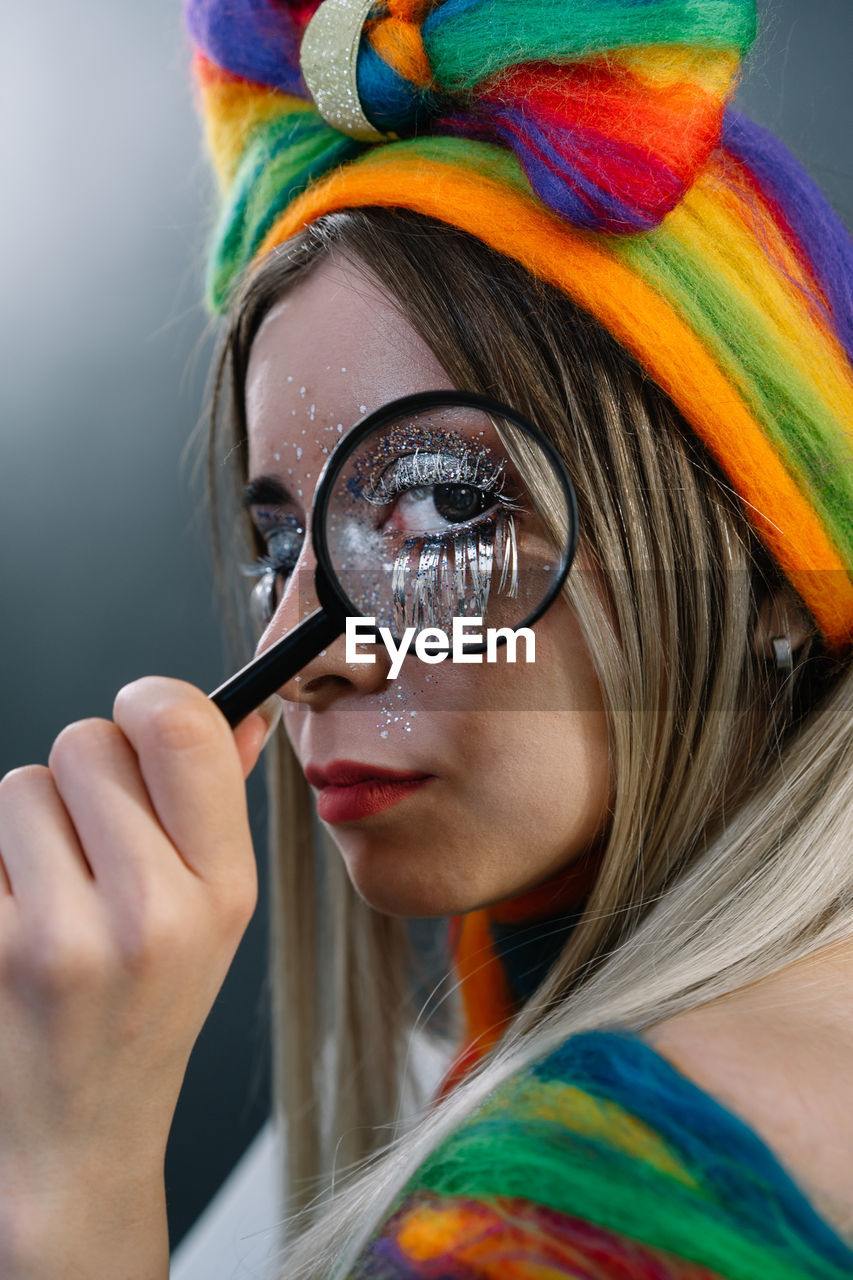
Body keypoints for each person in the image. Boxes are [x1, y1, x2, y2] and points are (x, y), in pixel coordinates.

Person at [1, 2, 852, 1278]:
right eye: (279, 539)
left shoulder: (581, 1211)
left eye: (445, 505)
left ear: (778, 559)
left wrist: (73, 1173)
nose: (311, 650)